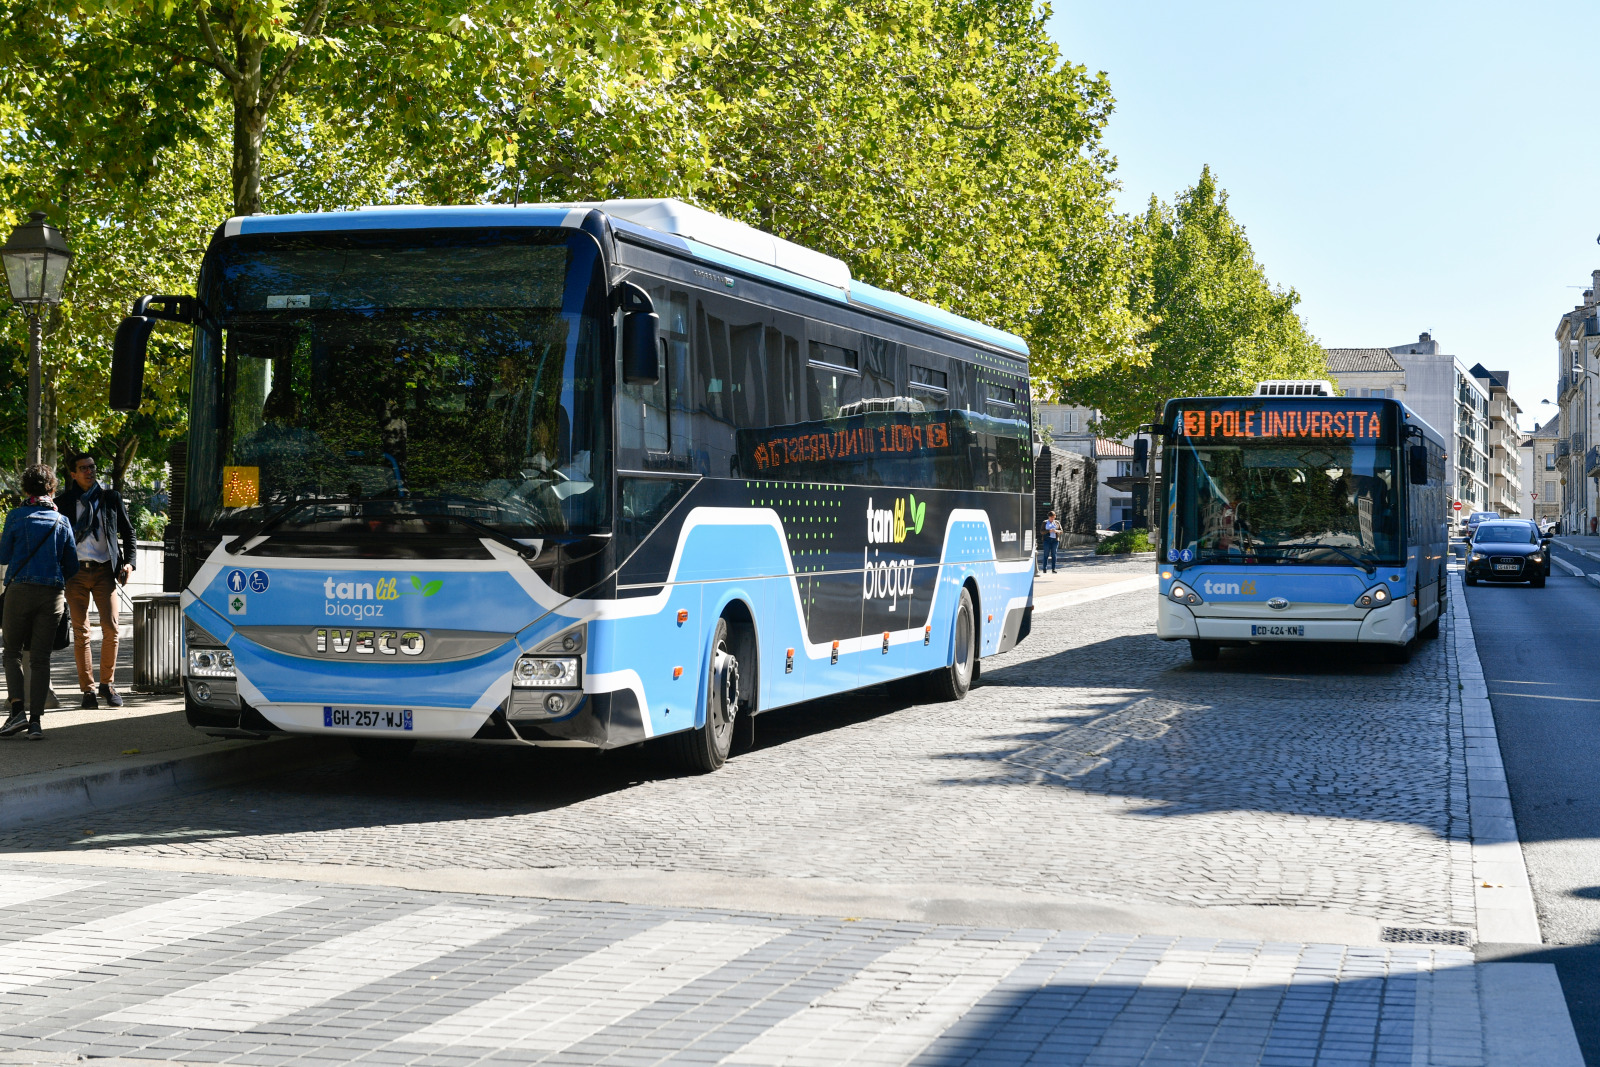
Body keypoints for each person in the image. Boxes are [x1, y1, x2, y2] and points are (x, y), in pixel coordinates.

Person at [0, 464, 79, 739]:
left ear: (25, 489)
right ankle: (35, 722)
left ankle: (17, 711)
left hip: (19, 591)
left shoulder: (16, 516)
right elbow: (72, 565)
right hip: (52, 595)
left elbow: (3, 556)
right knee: (40, 658)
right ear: (52, 488)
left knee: (11, 653)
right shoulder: (62, 521)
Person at [58, 452, 136, 709]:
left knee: (111, 628)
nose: (90, 472)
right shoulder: (64, 503)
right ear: (73, 474)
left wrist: (129, 562)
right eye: (83, 468)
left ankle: (108, 684)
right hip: (76, 574)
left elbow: (128, 531)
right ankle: (88, 690)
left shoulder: (110, 498)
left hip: (105, 571)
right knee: (82, 633)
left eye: (92, 467)